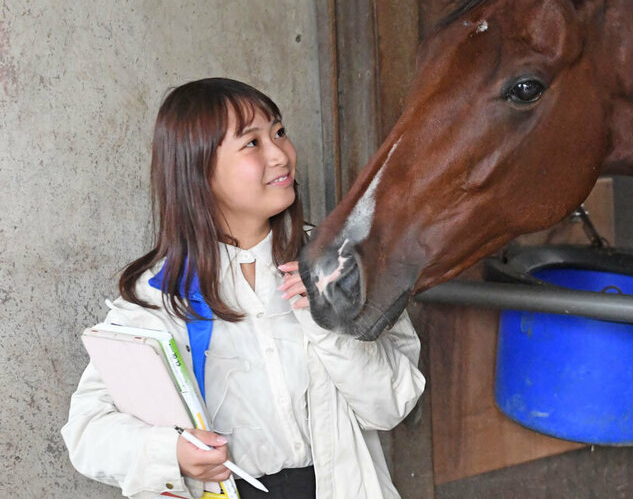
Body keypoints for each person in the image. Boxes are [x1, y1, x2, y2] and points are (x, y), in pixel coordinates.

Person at [62, 78, 425, 498]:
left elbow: (393, 407)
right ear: (198, 170)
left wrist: (327, 321)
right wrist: (171, 453)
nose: (280, 154)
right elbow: (87, 431)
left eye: (279, 132)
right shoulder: (160, 294)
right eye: (252, 143)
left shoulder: (340, 263)